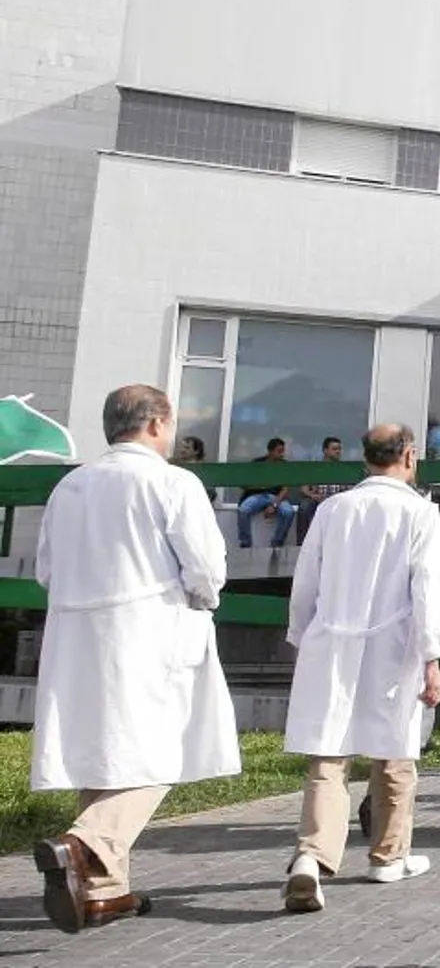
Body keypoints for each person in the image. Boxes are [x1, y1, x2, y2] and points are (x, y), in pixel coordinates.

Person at [30, 385, 240, 933]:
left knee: (101, 749)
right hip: (150, 628)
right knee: (161, 749)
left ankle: (103, 891)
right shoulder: (171, 481)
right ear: (155, 424)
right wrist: (202, 597)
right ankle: (85, 844)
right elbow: (205, 567)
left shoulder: (70, 485)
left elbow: (45, 569)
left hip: (77, 631)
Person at [281, 424, 440, 913]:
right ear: (409, 455)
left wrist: (301, 637)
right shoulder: (419, 512)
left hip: (331, 640)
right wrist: (432, 658)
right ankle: (387, 855)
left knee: (328, 756)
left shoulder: (333, 509)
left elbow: (305, 580)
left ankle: (311, 857)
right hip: (393, 644)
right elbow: (430, 590)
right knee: (394, 753)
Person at [236, 436, 298, 549]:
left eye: (283, 451)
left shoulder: (285, 466)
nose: (282, 455)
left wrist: (274, 504)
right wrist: (257, 485)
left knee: (289, 512)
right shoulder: (257, 463)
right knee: (243, 510)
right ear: (270, 451)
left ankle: (277, 542)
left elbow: (285, 488)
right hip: (257, 495)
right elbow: (243, 483)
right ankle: (246, 543)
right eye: (279, 451)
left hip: (276, 496)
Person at [295, 436, 349, 545]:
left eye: (339, 449)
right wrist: (313, 495)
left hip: (337, 500)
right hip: (318, 499)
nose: (338, 451)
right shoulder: (315, 467)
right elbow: (303, 488)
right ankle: (302, 544)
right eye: (334, 449)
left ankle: (345, 543)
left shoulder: (344, 468)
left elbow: (349, 490)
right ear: (325, 451)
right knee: (304, 506)